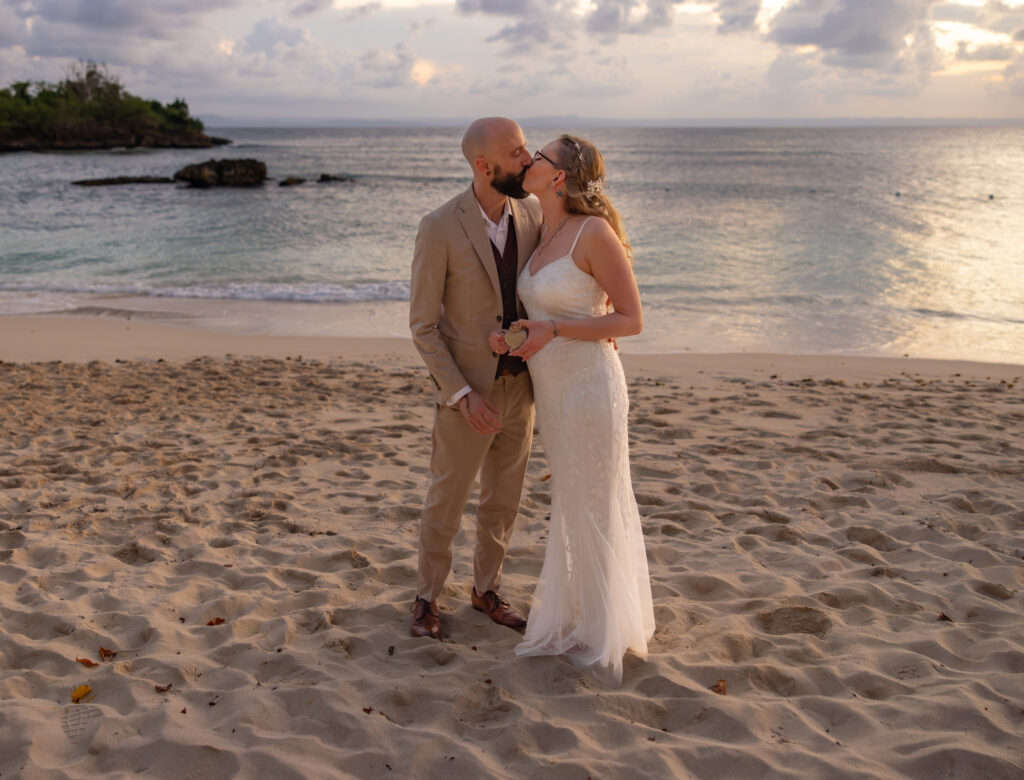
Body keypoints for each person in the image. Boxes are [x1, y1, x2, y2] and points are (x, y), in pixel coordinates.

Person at [490, 134, 655, 685]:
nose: (529, 161)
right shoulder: (542, 231)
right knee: (571, 498)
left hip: (589, 388)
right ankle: (584, 614)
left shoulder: (593, 232)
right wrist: (516, 338)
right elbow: (545, 313)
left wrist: (555, 328)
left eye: (538, 155)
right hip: (554, 391)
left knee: (595, 500)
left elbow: (630, 320)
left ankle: (603, 626)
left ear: (558, 175)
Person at [408, 117, 543, 639]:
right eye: (517, 152)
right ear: (485, 166)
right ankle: (426, 597)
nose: (527, 158)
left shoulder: (533, 214)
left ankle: (487, 589)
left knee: (503, 502)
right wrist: (462, 396)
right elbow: (422, 327)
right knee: (447, 499)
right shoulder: (439, 226)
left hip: (522, 389)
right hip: (467, 394)